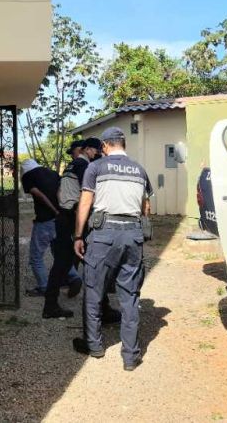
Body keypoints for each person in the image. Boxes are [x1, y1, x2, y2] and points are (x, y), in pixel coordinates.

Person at [73, 126, 153, 371]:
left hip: (104, 235)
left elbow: (85, 202)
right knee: (129, 297)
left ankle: (95, 346)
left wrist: (78, 235)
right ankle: (130, 356)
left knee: (94, 290)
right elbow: (146, 208)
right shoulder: (140, 169)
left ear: (106, 146)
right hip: (133, 235)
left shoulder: (96, 167)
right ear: (123, 144)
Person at [42, 137, 103, 318]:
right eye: (96, 150)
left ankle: (50, 305)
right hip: (74, 218)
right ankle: (102, 308)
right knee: (93, 261)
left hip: (64, 216)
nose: (97, 154)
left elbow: (60, 191)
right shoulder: (84, 166)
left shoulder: (71, 166)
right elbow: (88, 194)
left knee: (62, 263)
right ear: (88, 149)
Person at [21, 159, 82, 297]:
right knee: (60, 253)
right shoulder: (53, 173)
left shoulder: (28, 176)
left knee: (36, 256)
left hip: (45, 220)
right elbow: (62, 190)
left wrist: (54, 210)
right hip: (60, 219)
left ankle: (43, 287)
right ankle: (74, 278)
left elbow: (38, 194)